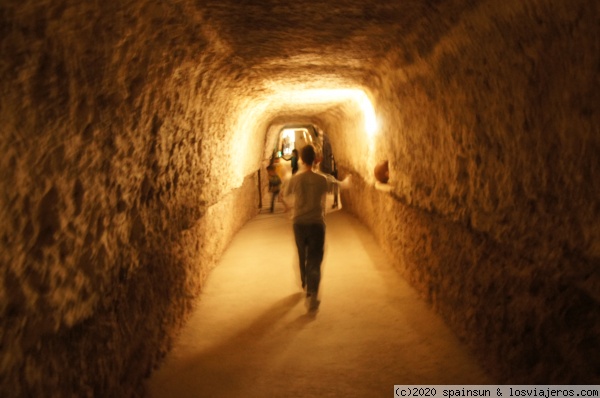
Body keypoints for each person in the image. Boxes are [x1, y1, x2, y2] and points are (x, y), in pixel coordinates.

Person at [284, 144, 349, 311]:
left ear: (301, 159)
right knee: (314, 259)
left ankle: (305, 283)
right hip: (316, 224)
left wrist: (291, 209)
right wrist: (348, 181)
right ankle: (312, 293)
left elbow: (286, 195)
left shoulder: (296, 179)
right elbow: (340, 186)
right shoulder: (322, 179)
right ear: (316, 159)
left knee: (301, 255)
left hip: (299, 223)